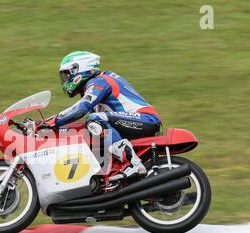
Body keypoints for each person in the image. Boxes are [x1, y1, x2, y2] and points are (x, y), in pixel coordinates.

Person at [39, 51, 162, 181]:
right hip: (136, 122)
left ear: (78, 69)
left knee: (94, 120)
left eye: (68, 74)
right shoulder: (92, 86)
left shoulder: (99, 81)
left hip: (146, 119)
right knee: (91, 128)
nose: (66, 79)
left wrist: (52, 121)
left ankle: (133, 163)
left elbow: (81, 108)